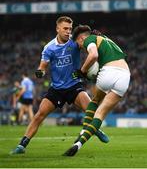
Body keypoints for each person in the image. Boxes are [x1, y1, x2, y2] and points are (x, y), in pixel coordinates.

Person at [10, 16, 109, 154]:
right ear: (57, 29)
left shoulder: (75, 42)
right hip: (56, 89)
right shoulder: (49, 48)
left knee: (91, 109)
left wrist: (96, 37)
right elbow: (43, 66)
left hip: (74, 86)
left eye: (70, 29)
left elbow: (89, 43)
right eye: (65, 28)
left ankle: (96, 130)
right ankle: (22, 145)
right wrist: (41, 72)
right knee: (39, 115)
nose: (68, 31)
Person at [63, 25, 131, 156]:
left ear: (82, 38)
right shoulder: (106, 39)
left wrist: (82, 71)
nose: (81, 48)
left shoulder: (89, 39)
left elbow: (93, 55)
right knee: (101, 113)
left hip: (108, 71)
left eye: (79, 44)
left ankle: (83, 132)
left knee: (94, 101)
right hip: (125, 75)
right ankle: (79, 144)